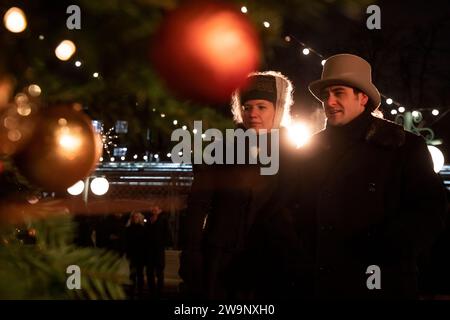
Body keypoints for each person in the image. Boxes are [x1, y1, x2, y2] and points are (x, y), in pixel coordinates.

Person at [290, 53, 447, 299]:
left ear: (362, 97)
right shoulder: (310, 149)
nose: (329, 101)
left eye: (339, 92)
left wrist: (389, 245)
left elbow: (430, 210)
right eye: (325, 95)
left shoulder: (403, 147)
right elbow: (294, 208)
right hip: (319, 286)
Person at [179, 71, 300, 299]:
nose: (253, 113)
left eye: (261, 107)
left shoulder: (293, 157)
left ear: (278, 110)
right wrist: (192, 251)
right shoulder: (221, 151)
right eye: (247, 107)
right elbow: (198, 204)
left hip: (269, 263)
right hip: (220, 261)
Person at [144, 205, 171, 298]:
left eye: (156, 207)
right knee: (149, 272)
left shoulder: (163, 219)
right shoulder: (148, 219)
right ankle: (152, 291)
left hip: (158, 249)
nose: (154, 209)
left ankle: (159, 292)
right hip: (149, 250)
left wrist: (162, 243)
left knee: (159, 272)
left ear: (160, 209)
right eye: (153, 207)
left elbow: (167, 233)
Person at [124, 211, 147, 299]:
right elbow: (127, 242)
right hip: (133, 254)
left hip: (140, 254)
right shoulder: (129, 229)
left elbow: (145, 243)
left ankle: (140, 292)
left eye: (137, 217)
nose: (135, 218)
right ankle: (132, 291)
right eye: (134, 217)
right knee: (132, 274)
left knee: (140, 274)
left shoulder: (143, 229)